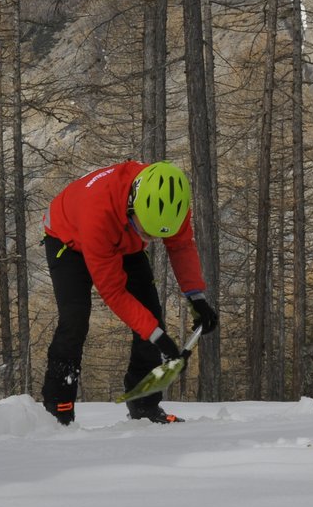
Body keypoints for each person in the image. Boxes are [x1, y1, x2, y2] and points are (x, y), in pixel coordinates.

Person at [40, 160, 219, 425]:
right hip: (69, 241)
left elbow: (180, 247)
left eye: (154, 236)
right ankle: (58, 408)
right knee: (74, 321)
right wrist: (157, 336)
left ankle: (144, 407)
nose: (149, 239)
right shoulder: (97, 212)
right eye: (145, 230)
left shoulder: (172, 203)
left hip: (122, 240)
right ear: (132, 203)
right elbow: (113, 292)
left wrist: (197, 297)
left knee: (151, 317)